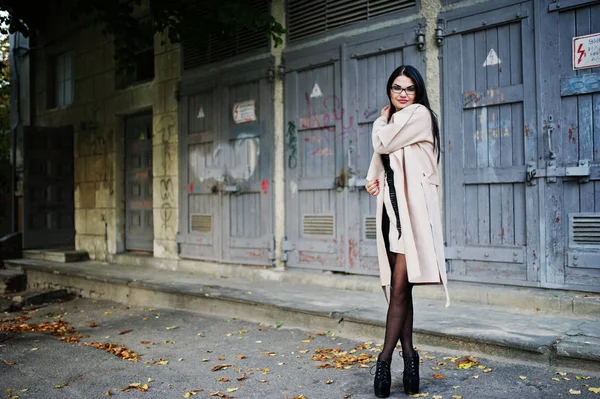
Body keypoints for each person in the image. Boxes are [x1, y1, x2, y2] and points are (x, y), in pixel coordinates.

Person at [365, 65, 449, 398]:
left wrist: (380, 121)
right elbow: (380, 161)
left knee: (399, 287)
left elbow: (381, 140)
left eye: (409, 88)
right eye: (397, 88)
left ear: (418, 93)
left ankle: (384, 360)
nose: (403, 94)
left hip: (412, 218)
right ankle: (411, 358)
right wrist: (373, 183)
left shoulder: (418, 116)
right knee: (402, 289)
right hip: (391, 214)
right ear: (389, 90)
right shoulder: (397, 123)